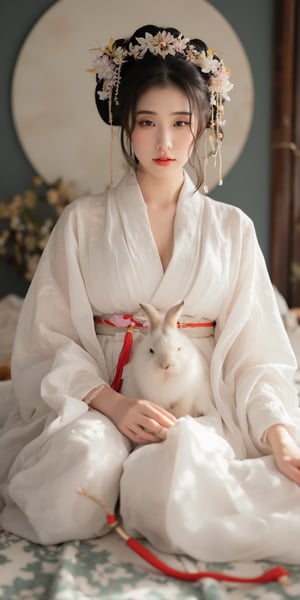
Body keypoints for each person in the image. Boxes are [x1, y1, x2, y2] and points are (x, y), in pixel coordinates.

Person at [0, 23, 300, 562]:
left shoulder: (232, 229)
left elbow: (258, 352)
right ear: (125, 126)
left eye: (181, 123)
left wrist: (277, 433)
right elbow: (48, 337)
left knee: (187, 470)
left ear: (203, 127)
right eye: (147, 123)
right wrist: (113, 406)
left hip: (197, 403)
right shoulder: (83, 222)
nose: (165, 143)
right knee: (77, 473)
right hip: (103, 396)